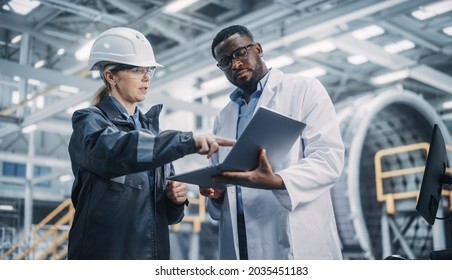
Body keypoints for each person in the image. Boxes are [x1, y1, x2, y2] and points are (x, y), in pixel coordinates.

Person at [67, 27, 234, 260]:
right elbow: (117, 151)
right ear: (110, 76)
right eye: (137, 70)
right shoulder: (89, 122)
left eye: (149, 70)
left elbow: (169, 217)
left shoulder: (153, 133)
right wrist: (187, 141)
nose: (146, 77)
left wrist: (175, 200)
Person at [199, 25, 345, 260]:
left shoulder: (304, 90)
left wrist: (278, 181)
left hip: (293, 236)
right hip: (241, 243)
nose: (235, 64)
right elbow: (224, 180)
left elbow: (328, 159)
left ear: (258, 49)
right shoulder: (223, 117)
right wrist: (215, 195)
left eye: (240, 53)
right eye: (225, 62)